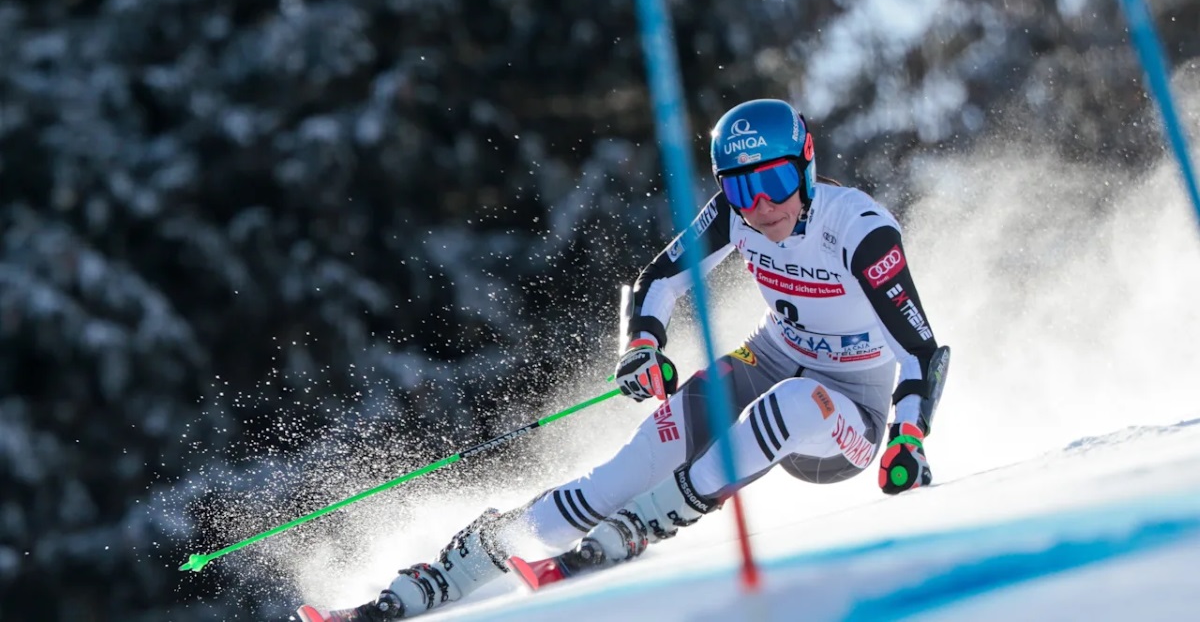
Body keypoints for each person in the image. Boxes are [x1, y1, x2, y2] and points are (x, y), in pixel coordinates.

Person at [297, 99, 950, 622]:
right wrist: (642, 346)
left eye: (777, 181)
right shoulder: (738, 214)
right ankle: (458, 568)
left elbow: (920, 348)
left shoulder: (860, 229)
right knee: (640, 454)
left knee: (792, 403)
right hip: (770, 356)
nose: (762, 206)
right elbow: (661, 279)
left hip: (850, 415)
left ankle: (653, 518)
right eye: (742, 188)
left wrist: (909, 437)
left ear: (805, 167)